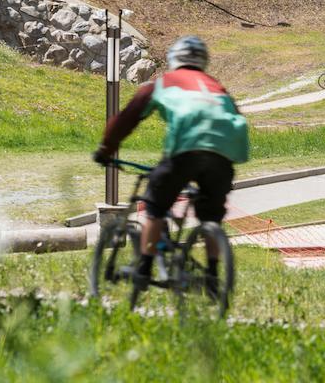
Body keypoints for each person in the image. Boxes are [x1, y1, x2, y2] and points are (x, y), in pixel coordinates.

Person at [93, 35, 249, 292]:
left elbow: (127, 118)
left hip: (186, 150)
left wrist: (106, 149)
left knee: (155, 205)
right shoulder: (217, 87)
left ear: (173, 59)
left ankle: (143, 269)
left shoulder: (163, 83)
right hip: (224, 155)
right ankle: (211, 276)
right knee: (211, 214)